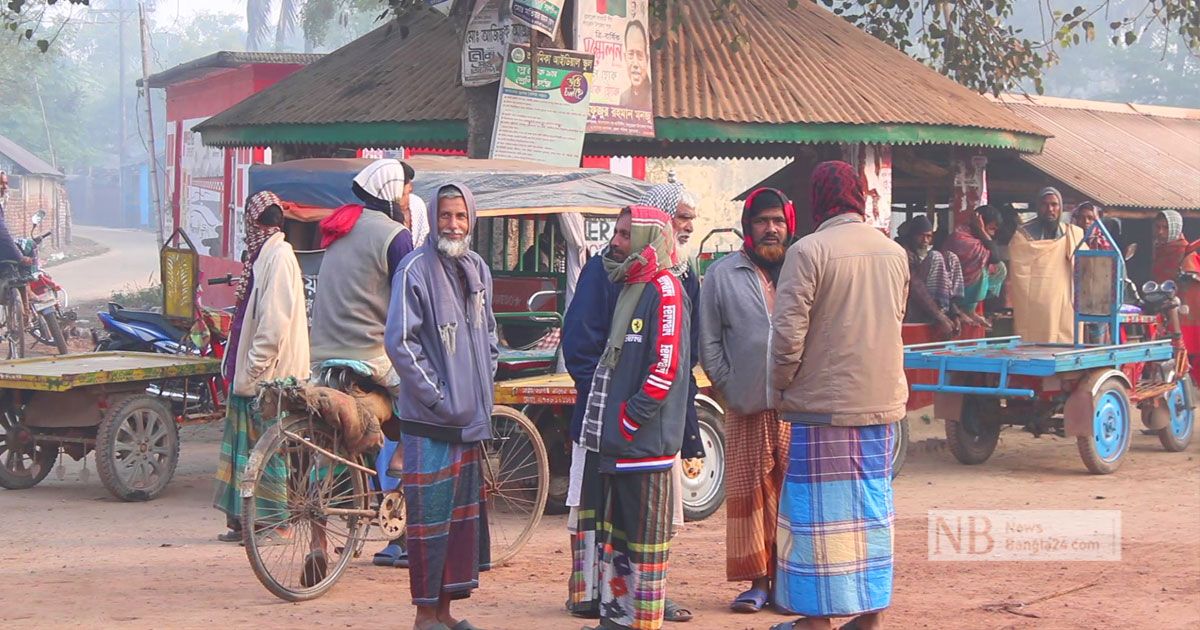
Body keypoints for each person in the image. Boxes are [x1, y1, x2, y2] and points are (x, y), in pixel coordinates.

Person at [769, 161, 907, 630]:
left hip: (823, 409)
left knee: (815, 520)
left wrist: (781, 384)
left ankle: (815, 619)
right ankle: (870, 615)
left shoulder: (807, 252)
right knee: (870, 513)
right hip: (879, 407)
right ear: (858, 196)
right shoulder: (893, 252)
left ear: (818, 198)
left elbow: (788, 337)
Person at [571, 205, 691, 630]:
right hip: (621, 449)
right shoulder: (632, 286)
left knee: (644, 551)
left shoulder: (664, 289)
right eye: (617, 234)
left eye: (625, 235)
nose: (616, 243)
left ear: (645, 241)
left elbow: (664, 369)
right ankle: (614, 622)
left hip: (644, 447)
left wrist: (626, 421)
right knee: (617, 547)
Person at [385, 183, 497, 630]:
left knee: (459, 524)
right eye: (446, 215)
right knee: (430, 523)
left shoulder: (476, 268)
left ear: (471, 220)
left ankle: (447, 613)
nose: (453, 224)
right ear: (434, 217)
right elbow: (400, 342)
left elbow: (488, 334)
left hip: (468, 421)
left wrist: (482, 385)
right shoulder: (414, 269)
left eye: (461, 216)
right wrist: (440, 397)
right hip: (429, 421)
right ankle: (424, 615)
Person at [308, 158, 417, 568]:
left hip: (323, 357)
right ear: (392, 192)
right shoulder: (395, 236)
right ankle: (403, 452)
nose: (408, 200)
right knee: (423, 400)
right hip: (370, 356)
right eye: (406, 191)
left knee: (322, 450)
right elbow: (411, 302)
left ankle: (318, 542)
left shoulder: (340, 230)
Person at [697, 187, 795, 614]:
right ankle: (758, 582)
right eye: (762, 221)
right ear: (747, 228)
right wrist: (729, 386)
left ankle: (793, 584)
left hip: (798, 406)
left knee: (794, 496)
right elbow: (709, 341)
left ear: (790, 225)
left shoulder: (804, 268)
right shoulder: (722, 274)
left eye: (777, 221)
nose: (770, 229)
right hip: (746, 404)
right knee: (751, 493)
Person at [213, 191, 310, 544]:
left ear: (255, 224)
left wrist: (254, 369)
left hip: (270, 375)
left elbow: (273, 324)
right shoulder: (261, 255)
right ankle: (244, 520)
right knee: (244, 449)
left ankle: (275, 521)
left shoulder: (279, 256)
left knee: (267, 451)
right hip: (250, 373)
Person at [1008, 187, 1086, 344]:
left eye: (1054, 205)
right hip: (1037, 306)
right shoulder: (1023, 236)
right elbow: (1020, 273)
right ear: (1038, 207)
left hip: (1066, 304)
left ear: (1061, 207)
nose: (1050, 209)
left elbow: (1085, 267)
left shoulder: (1073, 234)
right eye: (1045, 204)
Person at [898, 215, 964, 337]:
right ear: (912, 236)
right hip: (912, 305)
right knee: (936, 256)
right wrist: (939, 316)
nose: (925, 240)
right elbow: (916, 286)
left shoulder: (924, 254)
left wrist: (954, 314)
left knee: (950, 257)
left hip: (936, 306)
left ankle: (948, 309)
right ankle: (941, 309)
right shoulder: (904, 253)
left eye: (928, 236)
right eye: (921, 235)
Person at [1152, 210, 1200, 379]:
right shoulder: (1160, 250)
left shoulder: (1184, 252)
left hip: (1183, 311)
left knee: (1185, 352)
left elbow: (1192, 276)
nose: (1160, 231)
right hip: (1161, 306)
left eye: (1165, 227)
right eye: (1157, 227)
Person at [944, 205, 1006, 325]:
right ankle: (959, 310)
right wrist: (982, 230)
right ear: (980, 223)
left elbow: (996, 261)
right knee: (981, 269)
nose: (992, 234)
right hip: (951, 291)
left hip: (965, 286)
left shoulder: (976, 239)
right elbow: (994, 257)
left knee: (1000, 269)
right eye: (991, 228)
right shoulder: (961, 238)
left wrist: (983, 233)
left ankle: (969, 310)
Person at [619, 20, 652, 110]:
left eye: (639, 55)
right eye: (630, 54)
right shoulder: (624, 98)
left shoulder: (654, 96)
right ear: (625, 57)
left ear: (647, 59)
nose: (635, 64)